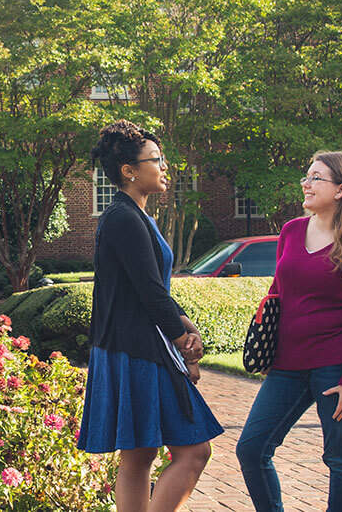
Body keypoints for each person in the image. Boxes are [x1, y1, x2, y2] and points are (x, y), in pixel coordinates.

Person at [78, 120, 223, 512]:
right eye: (155, 159)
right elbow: (148, 291)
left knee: (139, 457)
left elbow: (150, 287)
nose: (164, 167)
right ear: (129, 171)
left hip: (133, 346)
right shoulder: (123, 218)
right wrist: (183, 340)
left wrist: (184, 324)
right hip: (138, 350)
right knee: (194, 451)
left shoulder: (135, 216)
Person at [234, 151, 342, 512]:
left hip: (335, 367)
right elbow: (278, 293)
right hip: (287, 366)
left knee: (339, 458)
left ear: (341, 189)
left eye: (316, 177)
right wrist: (267, 348)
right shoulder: (291, 231)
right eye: (307, 175)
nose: (306, 183)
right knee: (252, 449)